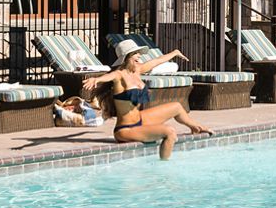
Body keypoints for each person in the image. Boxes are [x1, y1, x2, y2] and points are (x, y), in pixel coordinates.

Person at [83, 45, 212, 160]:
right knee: (170, 132)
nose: (139, 56)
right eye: (135, 54)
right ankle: (163, 168)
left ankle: (195, 127)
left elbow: (157, 61)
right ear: (126, 58)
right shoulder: (119, 75)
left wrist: (175, 53)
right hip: (126, 129)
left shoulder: (138, 70)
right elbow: (108, 77)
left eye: (139, 53)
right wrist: (96, 80)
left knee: (177, 107)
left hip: (140, 119)